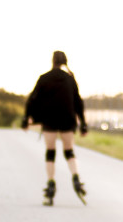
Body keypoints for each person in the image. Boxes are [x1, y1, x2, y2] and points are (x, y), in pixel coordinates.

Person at [22, 50, 88, 205]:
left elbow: (32, 99)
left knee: (50, 152)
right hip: (67, 119)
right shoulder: (70, 79)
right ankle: (76, 178)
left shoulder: (44, 78)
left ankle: (51, 185)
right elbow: (78, 102)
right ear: (65, 61)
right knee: (69, 151)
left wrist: (27, 118)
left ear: (52, 61)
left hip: (49, 119)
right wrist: (83, 123)